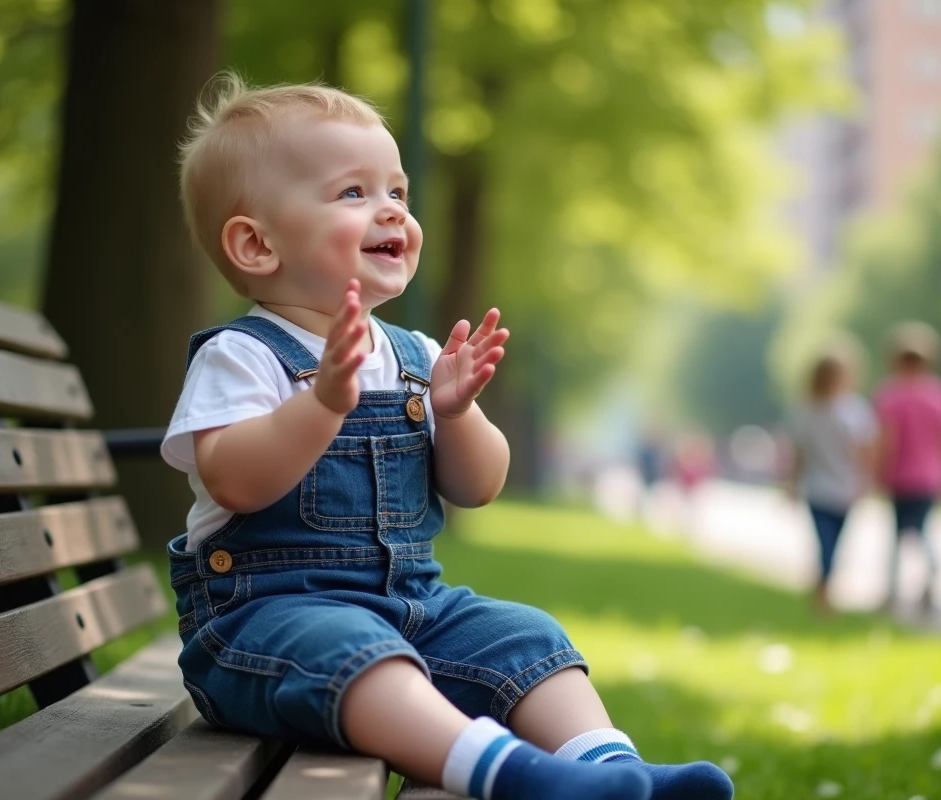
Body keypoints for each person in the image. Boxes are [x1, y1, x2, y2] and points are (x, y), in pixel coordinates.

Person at [160, 75, 732, 800]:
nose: (391, 210)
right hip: (261, 626)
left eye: (397, 191)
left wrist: (457, 414)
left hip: (413, 606)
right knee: (359, 655)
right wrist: (322, 404)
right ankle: (514, 775)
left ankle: (610, 769)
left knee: (525, 637)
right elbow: (235, 479)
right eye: (353, 193)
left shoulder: (415, 357)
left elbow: (478, 486)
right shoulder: (241, 356)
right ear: (256, 244)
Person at [874, 323, 941, 613]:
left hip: (900, 476)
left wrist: (877, 473)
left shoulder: (890, 395)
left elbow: (885, 440)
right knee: (921, 529)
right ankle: (930, 568)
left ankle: (892, 592)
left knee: (898, 534)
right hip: (930, 476)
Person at [787, 352, 877, 615]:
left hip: (841, 489)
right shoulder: (810, 411)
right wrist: (792, 482)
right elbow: (799, 453)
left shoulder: (852, 410)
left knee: (833, 545)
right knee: (826, 544)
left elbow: (864, 450)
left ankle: (823, 589)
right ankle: (823, 593)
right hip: (822, 489)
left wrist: (866, 480)